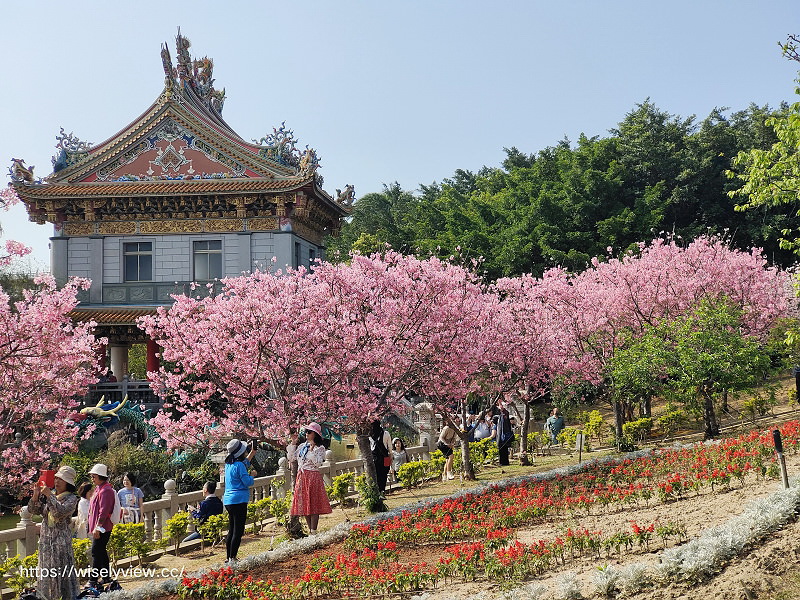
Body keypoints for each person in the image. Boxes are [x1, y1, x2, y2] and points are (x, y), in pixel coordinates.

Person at [27, 465, 79, 600]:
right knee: (47, 575)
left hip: (61, 544)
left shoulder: (72, 499)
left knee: (63, 575)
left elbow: (58, 512)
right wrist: (36, 494)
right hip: (46, 542)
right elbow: (34, 510)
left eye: (61, 479)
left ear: (68, 483)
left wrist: (49, 495)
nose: (57, 481)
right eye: (56, 478)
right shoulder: (52, 495)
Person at [290, 422, 332, 535]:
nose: (307, 434)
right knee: (305, 503)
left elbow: (318, 464)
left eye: (309, 432)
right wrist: (293, 444)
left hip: (312, 476)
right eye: (306, 432)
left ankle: (314, 530)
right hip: (301, 476)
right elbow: (292, 458)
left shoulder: (320, 448)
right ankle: (310, 531)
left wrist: (312, 451)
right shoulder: (302, 446)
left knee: (313, 503)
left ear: (315, 434)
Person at [222, 438, 256, 564]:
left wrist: (252, 454)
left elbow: (243, 463)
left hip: (228, 501)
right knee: (238, 530)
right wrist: (252, 475)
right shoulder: (240, 465)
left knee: (231, 529)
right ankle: (233, 558)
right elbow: (247, 482)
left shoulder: (229, 464)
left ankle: (228, 557)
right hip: (239, 500)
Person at [87, 463, 116, 588]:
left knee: (96, 551)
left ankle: (93, 579)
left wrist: (98, 527)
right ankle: (106, 577)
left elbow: (104, 511)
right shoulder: (100, 488)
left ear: (100, 476)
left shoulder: (106, 490)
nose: (92, 479)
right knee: (101, 552)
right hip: (98, 527)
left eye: (94, 477)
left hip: (103, 527)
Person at [369, 420, 392, 493]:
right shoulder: (386, 433)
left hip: (374, 458)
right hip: (384, 457)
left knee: (376, 475)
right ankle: (382, 490)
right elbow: (390, 448)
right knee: (384, 475)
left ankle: (376, 491)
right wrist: (391, 457)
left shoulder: (369, 435)